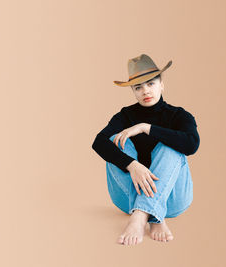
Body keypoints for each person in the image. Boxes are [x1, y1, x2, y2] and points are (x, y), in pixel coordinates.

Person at [91, 54, 200, 246]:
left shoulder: (179, 115)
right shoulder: (125, 115)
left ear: (161, 84)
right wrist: (132, 165)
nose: (145, 91)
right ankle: (154, 215)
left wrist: (145, 127)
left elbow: (192, 144)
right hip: (128, 198)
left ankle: (142, 216)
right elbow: (98, 143)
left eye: (151, 83)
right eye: (138, 87)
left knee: (171, 146)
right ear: (133, 91)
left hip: (173, 200)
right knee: (114, 141)